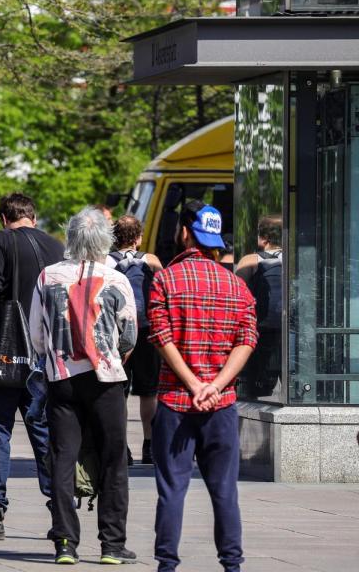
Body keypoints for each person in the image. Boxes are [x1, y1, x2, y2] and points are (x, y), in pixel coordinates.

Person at [149, 202, 256, 572]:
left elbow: (161, 335)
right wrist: (215, 385)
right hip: (221, 404)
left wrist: (193, 382)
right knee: (225, 491)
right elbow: (247, 339)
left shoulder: (165, 280)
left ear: (183, 233)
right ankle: (232, 564)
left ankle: (167, 564)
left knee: (171, 489)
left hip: (176, 402)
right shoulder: (237, 285)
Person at [29, 207, 138, 565]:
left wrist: (55, 355)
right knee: (112, 460)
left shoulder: (48, 278)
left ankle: (64, 542)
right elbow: (129, 336)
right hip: (106, 381)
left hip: (62, 378)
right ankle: (111, 544)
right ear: (104, 240)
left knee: (62, 459)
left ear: (70, 237)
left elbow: (37, 335)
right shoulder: (117, 279)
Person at [0, 192, 63, 541]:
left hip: (5, 353)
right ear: (32, 217)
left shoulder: (2, 240)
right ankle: (58, 512)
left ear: (5, 218)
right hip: (43, 354)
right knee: (42, 433)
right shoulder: (55, 246)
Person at [106, 215, 164, 465]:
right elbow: (163, 288)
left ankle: (122, 447)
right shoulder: (151, 260)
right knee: (149, 392)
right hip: (146, 331)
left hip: (117, 334)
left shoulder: (106, 261)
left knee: (119, 391)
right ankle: (150, 445)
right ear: (139, 238)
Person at [236, 215, 282, 399]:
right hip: (290, 328)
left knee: (256, 382)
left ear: (264, 239)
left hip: (262, 328)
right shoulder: (295, 259)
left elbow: (236, 292)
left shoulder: (251, 260)